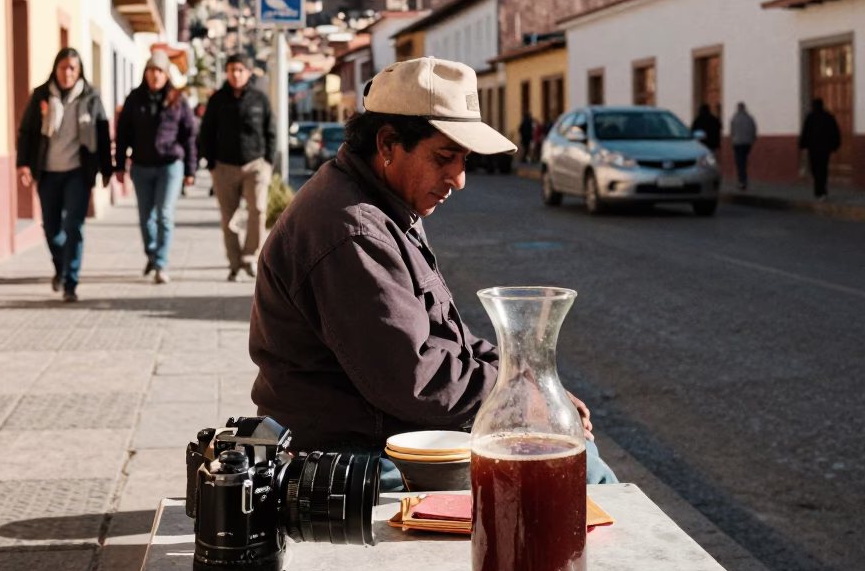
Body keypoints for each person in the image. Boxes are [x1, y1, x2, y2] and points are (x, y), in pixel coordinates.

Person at [248, 56, 618, 489]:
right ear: (387, 144)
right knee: (577, 470)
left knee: (570, 450)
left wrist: (527, 380)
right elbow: (418, 380)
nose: (458, 179)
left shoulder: (383, 204)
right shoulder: (352, 228)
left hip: (383, 434)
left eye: (463, 159)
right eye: (445, 157)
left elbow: (445, 340)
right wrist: (522, 400)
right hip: (353, 456)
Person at [16, 48, 112, 303]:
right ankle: (61, 266)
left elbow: (102, 134)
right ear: (55, 68)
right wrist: (23, 164)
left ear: (79, 71)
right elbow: (27, 131)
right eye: (63, 67)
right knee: (51, 229)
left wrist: (107, 170)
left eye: (73, 68)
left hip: (78, 173)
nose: (68, 73)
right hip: (47, 172)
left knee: (73, 226)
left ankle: (71, 281)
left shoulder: (90, 97)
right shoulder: (41, 95)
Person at [114, 52, 197, 283]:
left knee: (165, 214)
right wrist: (119, 166)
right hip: (141, 166)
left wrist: (190, 170)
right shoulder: (134, 99)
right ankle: (151, 253)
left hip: (170, 165)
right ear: (146, 73)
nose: (155, 75)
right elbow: (123, 135)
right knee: (145, 217)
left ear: (166, 74)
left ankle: (161, 263)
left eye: (159, 71)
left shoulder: (177, 101)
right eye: (151, 70)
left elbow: (189, 136)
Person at [197, 53, 275, 280]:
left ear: (249, 73)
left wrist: (268, 162)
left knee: (258, 211)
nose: (235, 74)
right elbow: (206, 133)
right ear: (227, 73)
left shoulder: (260, 99)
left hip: (255, 165)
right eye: (231, 70)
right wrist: (210, 163)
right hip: (224, 166)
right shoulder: (217, 100)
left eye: (240, 70)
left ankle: (250, 256)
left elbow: (271, 131)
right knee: (228, 218)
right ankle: (234, 262)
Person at [799, 98, 841, 200]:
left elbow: (805, 132)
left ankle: (819, 191)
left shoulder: (811, 117)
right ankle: (821, 190)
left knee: (816, 169)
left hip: (815, 149)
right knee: (822, 169)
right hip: (823, 149)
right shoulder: (828, 117)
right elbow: (835, 132)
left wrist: (803, 145)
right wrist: (835, 145)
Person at [729, 102, 758, 190]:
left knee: (739, 163)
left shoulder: (734, 118)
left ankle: (742, 181)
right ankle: (743, 180)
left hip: (737, 143)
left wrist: (732, 140)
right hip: (747, 143)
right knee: (743, 161)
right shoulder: (750, 118)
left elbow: (732, 131)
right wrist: (752, 140)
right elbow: (754, 130)